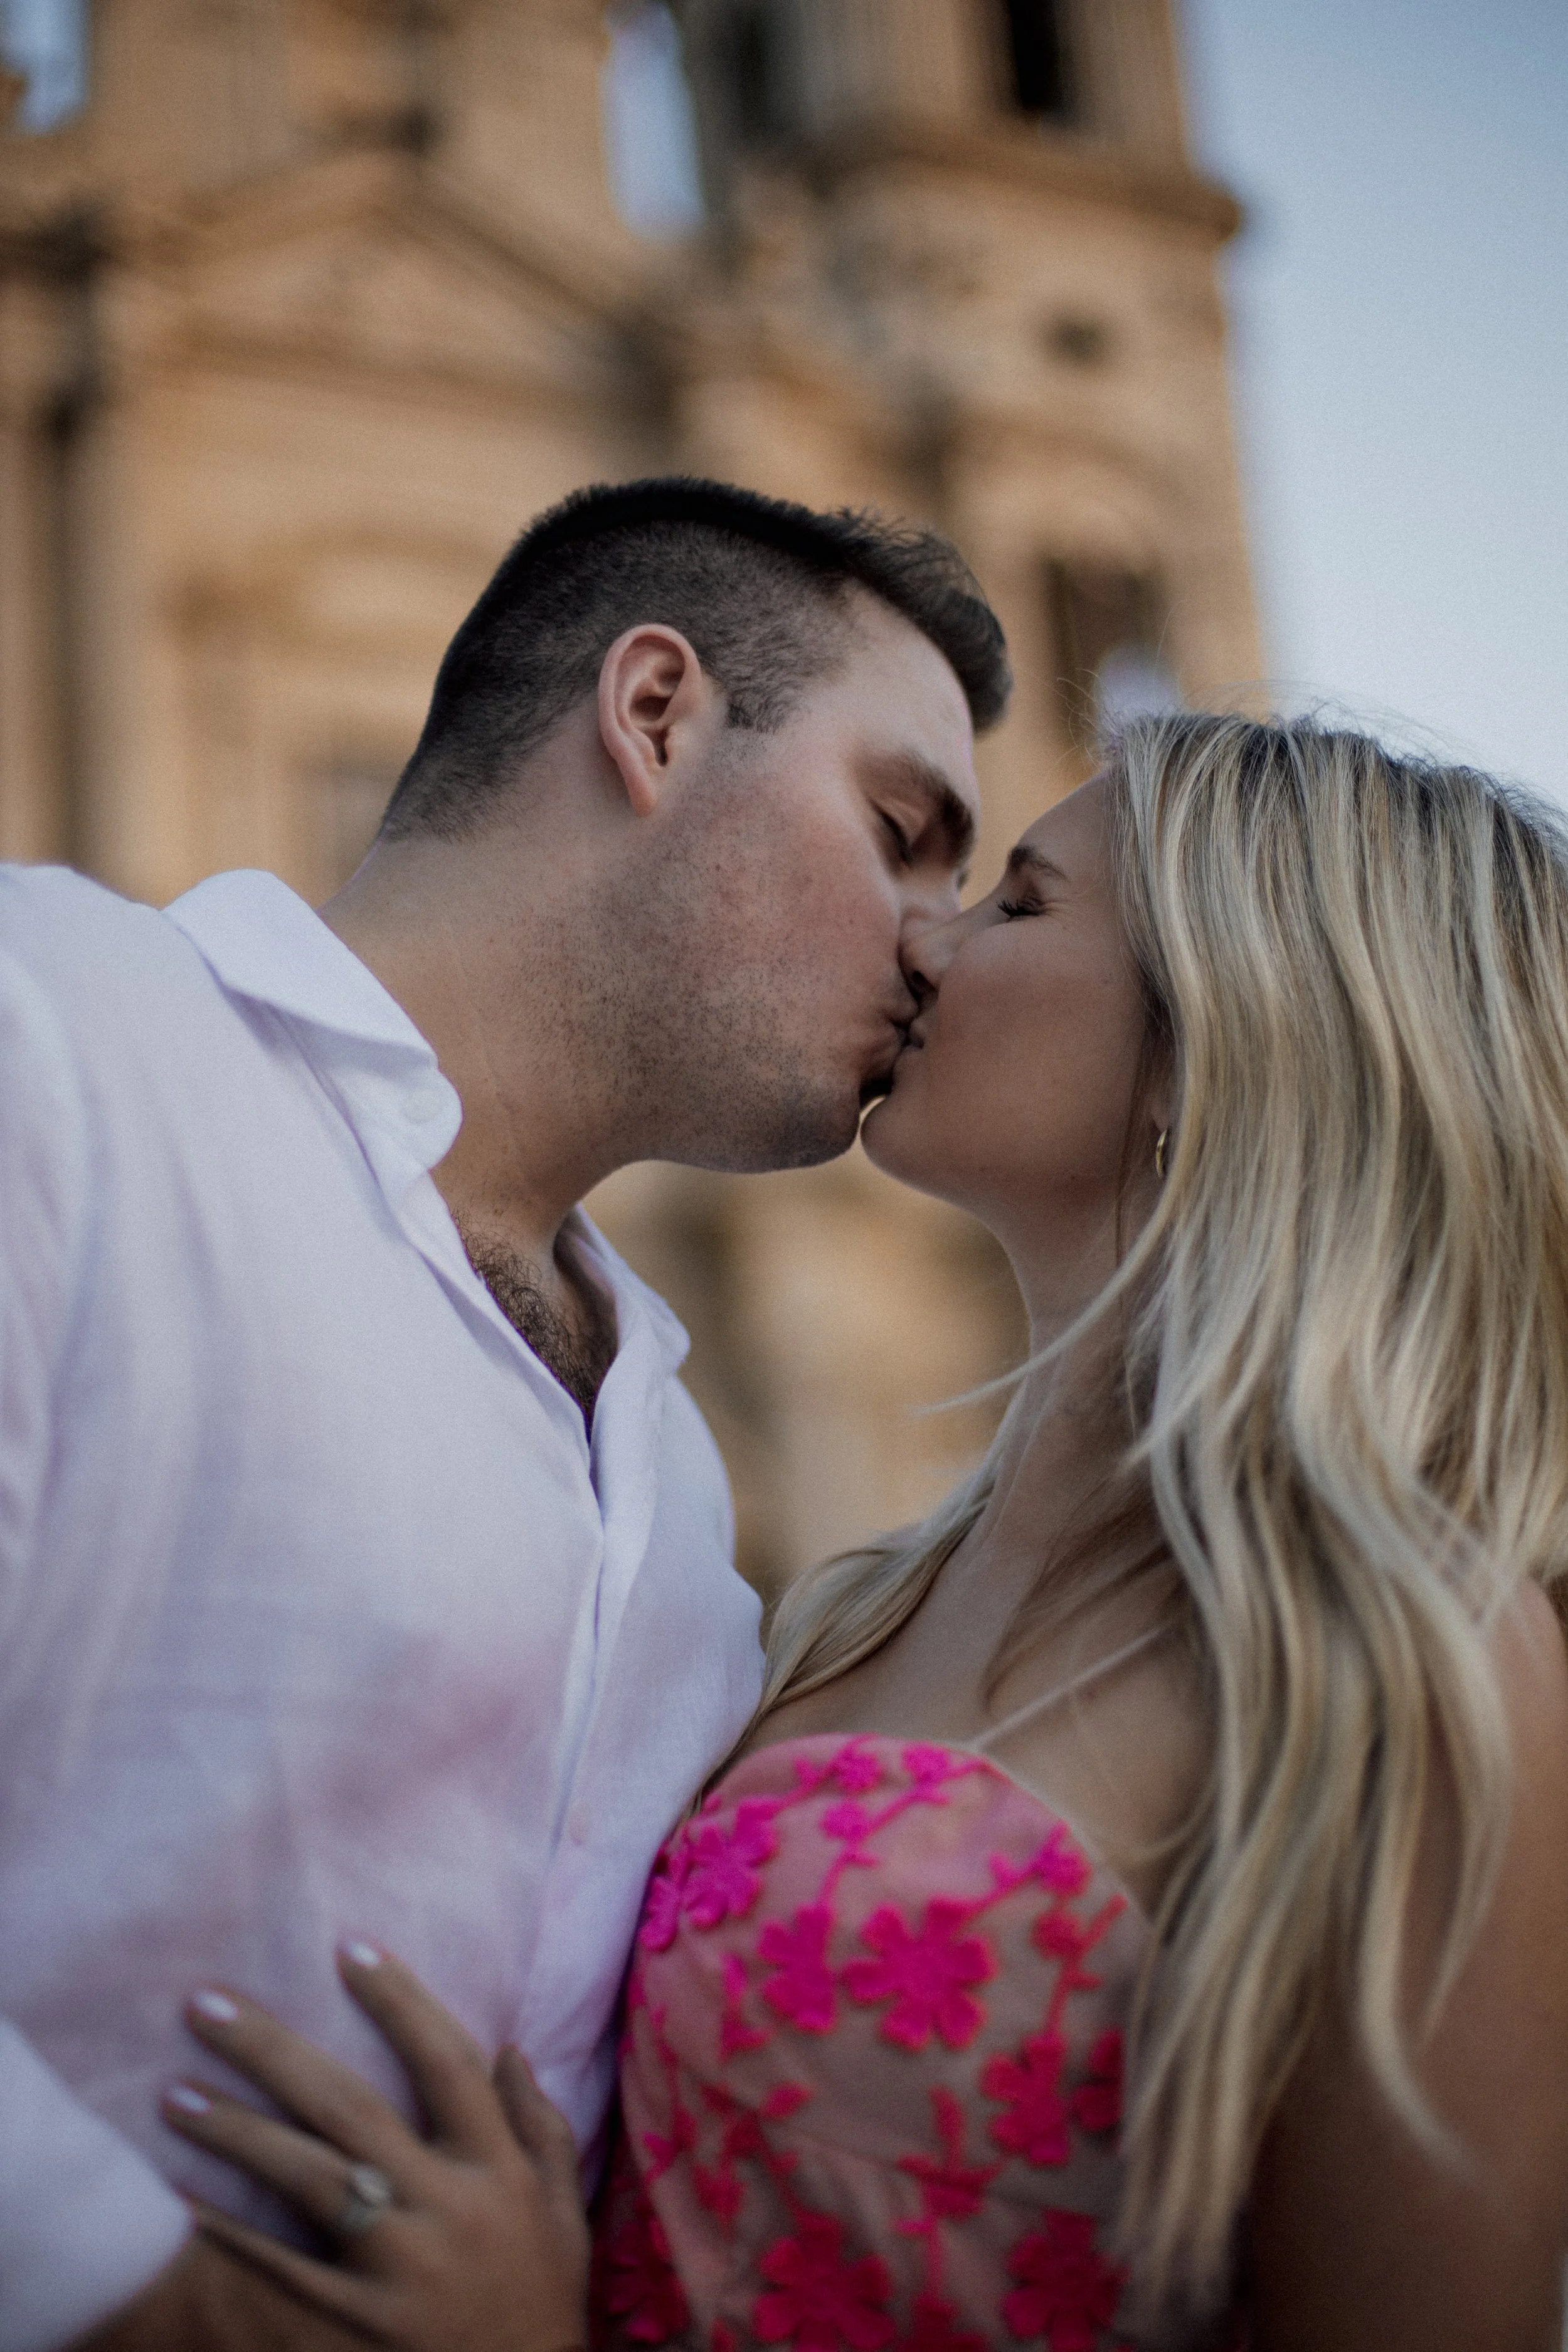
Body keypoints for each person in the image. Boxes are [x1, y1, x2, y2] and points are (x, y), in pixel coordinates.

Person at [167, 715, 1568, 2351]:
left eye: (1020, 904)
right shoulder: (857, 1603)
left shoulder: (1416, 1656)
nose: (921, 931)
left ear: (1233, 1042)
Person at [0, 477, 1009, 2352]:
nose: (940, 943)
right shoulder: (50, 1028)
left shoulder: (675, 1476)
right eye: (900, 836)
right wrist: (178, 2304)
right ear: (653, 716)